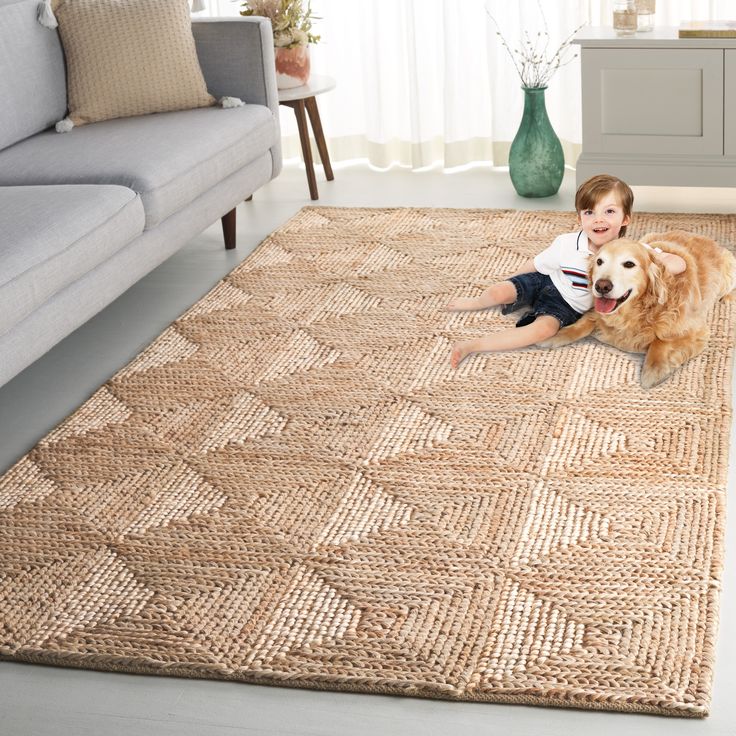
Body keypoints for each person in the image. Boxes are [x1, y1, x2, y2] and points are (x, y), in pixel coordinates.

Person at [447, 174, 686, 368]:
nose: (597, 219)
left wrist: (654, 259)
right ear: (580, 217)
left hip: (566, 305)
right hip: (545, 280)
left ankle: (473, 345)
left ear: (626, 219)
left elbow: (679, 263)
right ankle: (474, 302)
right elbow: (536, 265)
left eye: (609, 212)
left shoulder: (633, 253)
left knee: (543, 330)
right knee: (499, 292)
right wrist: (510, 282)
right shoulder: (566, 243)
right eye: (589, 212)